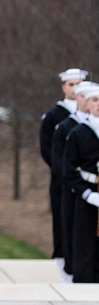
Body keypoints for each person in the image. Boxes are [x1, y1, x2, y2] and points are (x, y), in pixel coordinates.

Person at [41, 69, 87, 277]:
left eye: (79, 84)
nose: (75, 88)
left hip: (87, 183)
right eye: (71, 84)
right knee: (64, 223)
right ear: (63, 87)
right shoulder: (54, 116)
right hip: (62, 181)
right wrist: (67, 174)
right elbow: (49, 150)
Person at [53, 81, 97, 283]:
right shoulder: (77, 133)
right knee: (84, 242)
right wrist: (87, 194)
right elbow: (67, 169)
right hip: (87, 194)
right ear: (87, 103)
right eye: (95, 100)